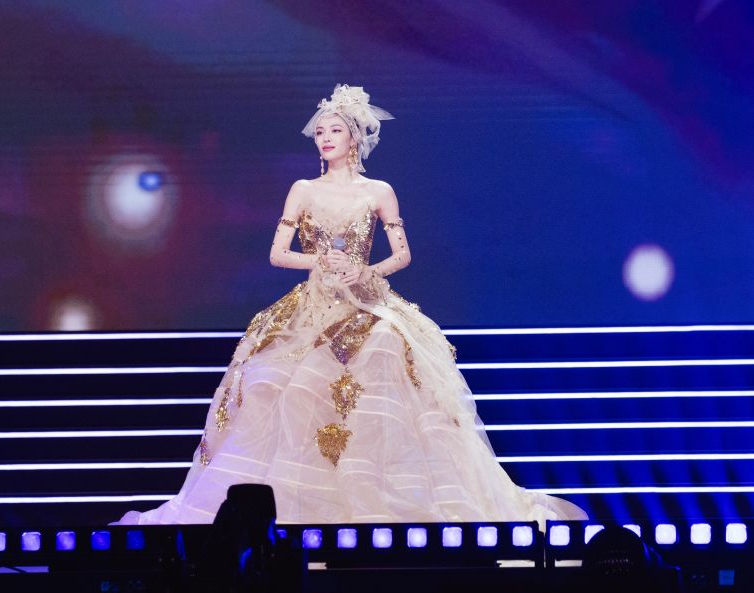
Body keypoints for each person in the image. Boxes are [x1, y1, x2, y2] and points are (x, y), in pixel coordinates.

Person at [116, 84, 587, 526]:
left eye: (335, 130)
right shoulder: (303, 189)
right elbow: (278, 253)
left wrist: (365, 271)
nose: (325, 138)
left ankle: (380, 502)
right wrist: (320, 260)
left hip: (364, 301)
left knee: (386, 354)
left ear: (355, 138)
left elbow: (402, 254)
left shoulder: (378, 191)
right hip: (313, 307)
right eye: (320, 131)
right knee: (280, 385)